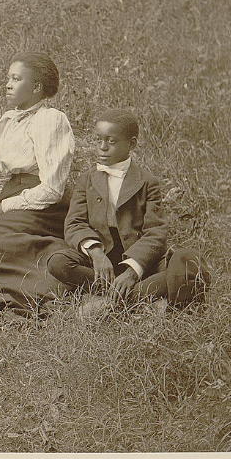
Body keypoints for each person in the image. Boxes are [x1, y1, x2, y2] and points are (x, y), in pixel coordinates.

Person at [45, 108, 211, 317]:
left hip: (139, 261)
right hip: (102, 260)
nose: (102, 148)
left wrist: (132, 272)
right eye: (99, 140)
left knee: (188, 261)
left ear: (131, 144)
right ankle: (135, 299)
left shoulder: (147, 182)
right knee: (58, 262)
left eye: (111, 141)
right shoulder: (87, 179)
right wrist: (96, 253)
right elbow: (74, 223)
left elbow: (156, 232)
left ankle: (114, 301)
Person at [0, 51, 77, 317]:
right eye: (8, 78)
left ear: (36, 87)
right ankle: (4, 289)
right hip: (10, 198)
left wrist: (0, 209)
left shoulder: (50, 119)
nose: (7, 84)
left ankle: (49, 279)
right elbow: (2, 178)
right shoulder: (8, 120)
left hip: (42, 206)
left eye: (16, 79)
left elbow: (53, 188)